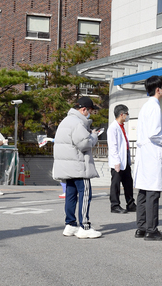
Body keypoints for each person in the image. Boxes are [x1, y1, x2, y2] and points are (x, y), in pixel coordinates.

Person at [134, 75, 162, 241]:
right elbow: (155, 134)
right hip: (152, 155)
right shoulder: (154, 107)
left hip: (145, 155)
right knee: (152, 193)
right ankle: (151, 230)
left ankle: (141, 227)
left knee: (143, 192)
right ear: (158, 89)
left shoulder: (145, 107)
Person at [52, 96, 101, 239]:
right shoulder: (77, 123)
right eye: (90, 111)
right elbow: (84, 144)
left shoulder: (65, 121)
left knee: (71, 195)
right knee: (85, 194)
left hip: (67, 166)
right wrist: (94, 136)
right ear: (84, 109)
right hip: (78, 165)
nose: (90, 114)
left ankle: (70, 224)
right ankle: (84, 226)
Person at [107, 104, 136, 214]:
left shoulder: (121, 126)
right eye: (127, 114)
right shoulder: (113, 128)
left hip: (125, 160)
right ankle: (115, 205)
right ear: (121, 114)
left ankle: (130, 204)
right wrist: (116, 161)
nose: (128, 116)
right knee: (116, 184)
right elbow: (113, 146)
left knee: (128, 182)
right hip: (117, 161)